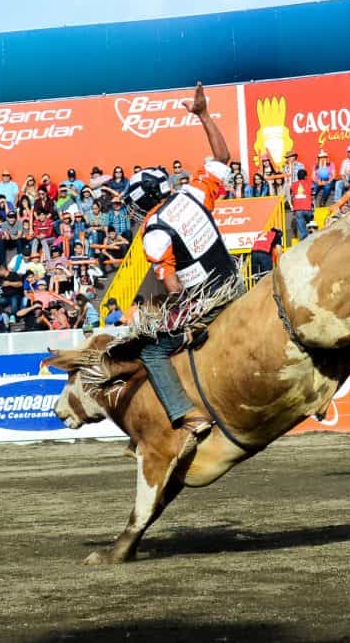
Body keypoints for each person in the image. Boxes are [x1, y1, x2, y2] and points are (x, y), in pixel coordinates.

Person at [129, 82, 239, 446]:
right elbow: (222, 157)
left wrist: (181, 314)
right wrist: (204, 114)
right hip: (236, 284)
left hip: (207, 302)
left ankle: (186, 416)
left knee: (153, 351)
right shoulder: (190, 193)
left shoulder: (153, 232)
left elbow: (173, 285)